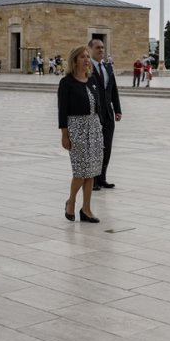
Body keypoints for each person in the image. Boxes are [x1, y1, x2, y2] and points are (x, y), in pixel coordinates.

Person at [58, 45, 102, 223]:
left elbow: (99, 104)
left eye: (87, 57)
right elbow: (62, 111)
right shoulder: (66, 83)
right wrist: (64, 134)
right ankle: (71, 201)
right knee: (80, 171)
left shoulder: (92, 80)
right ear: (75, 61)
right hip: (76, 128)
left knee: (91, 171)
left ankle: (86, 209)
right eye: (83, 57)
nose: (86, 60)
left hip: (94, 127)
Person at [89, 39, 122, 190]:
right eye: (97, 48)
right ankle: (93, 180)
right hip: (93, 114)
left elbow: (113, 90)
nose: (101, 50)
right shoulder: (87, 67)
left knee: (106, 147)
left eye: (102, 47)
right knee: (94, 147)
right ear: (90, 49)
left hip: (108, 114)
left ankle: (102, 178)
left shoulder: (108, 67)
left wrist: (117, 109)